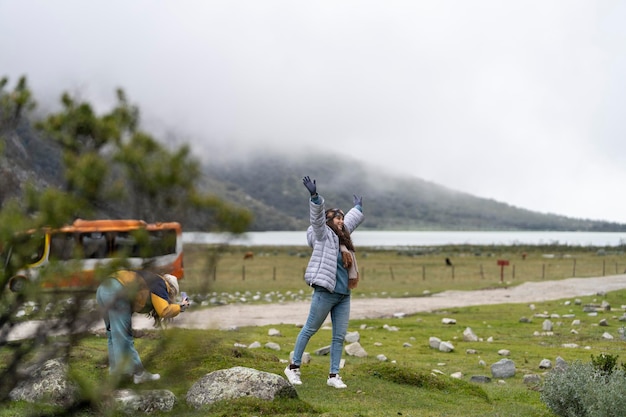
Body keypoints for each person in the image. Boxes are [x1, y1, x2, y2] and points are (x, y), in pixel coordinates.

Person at [284, 176, 364, 389]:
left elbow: (350, 222)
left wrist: (357, 208)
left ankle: (333, 375)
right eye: (338, 218)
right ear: (329, 221)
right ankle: (293, 368)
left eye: (343, 218)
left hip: (343, 294)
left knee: (339, 336)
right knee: (310, 328)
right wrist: (315, 197)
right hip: (325, 291)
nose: (341, 221)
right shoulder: (323, 235)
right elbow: (318, 219)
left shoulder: (343, 238)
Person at [95, 269, 190, 384]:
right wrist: (180, 307)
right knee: (124, 335)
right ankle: (139, 374)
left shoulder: (149, 280)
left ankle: (117, 373)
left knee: (113, 334)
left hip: (104, 288)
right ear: (171, 289)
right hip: (117, 290)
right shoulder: (161, 284)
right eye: (170, 295)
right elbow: (164, 310)